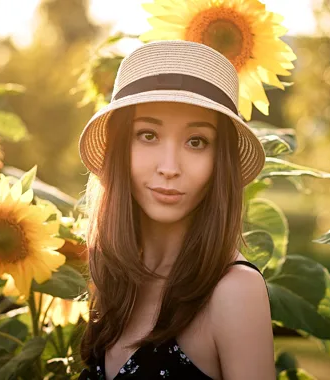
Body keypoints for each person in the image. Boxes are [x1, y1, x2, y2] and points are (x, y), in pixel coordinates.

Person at [77, 40, 274, 380]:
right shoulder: (117, 279)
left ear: (219, 161)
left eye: (196, 141)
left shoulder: (234, 291)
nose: (169, 167)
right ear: (121, 148)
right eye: (148, 135)